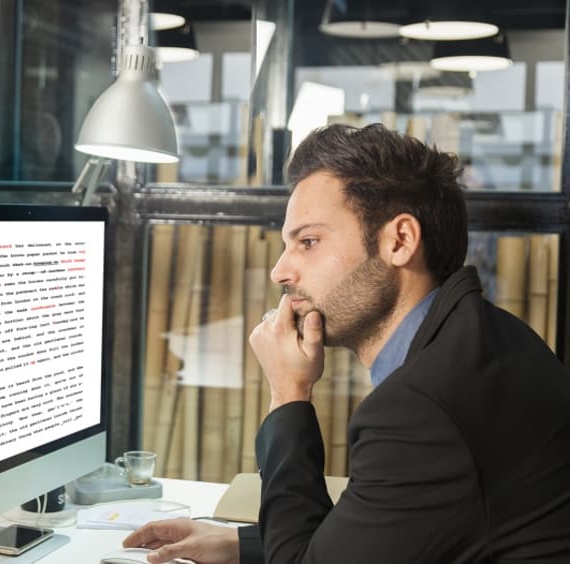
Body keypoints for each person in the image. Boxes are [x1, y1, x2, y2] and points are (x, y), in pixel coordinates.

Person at [123, 123, 570, 563]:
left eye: (309, 242)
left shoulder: (423, 408)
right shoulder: (486, 336)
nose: (280, 271)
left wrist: (288, 396)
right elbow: (401, 527)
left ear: (399, 241)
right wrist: (244, 544)